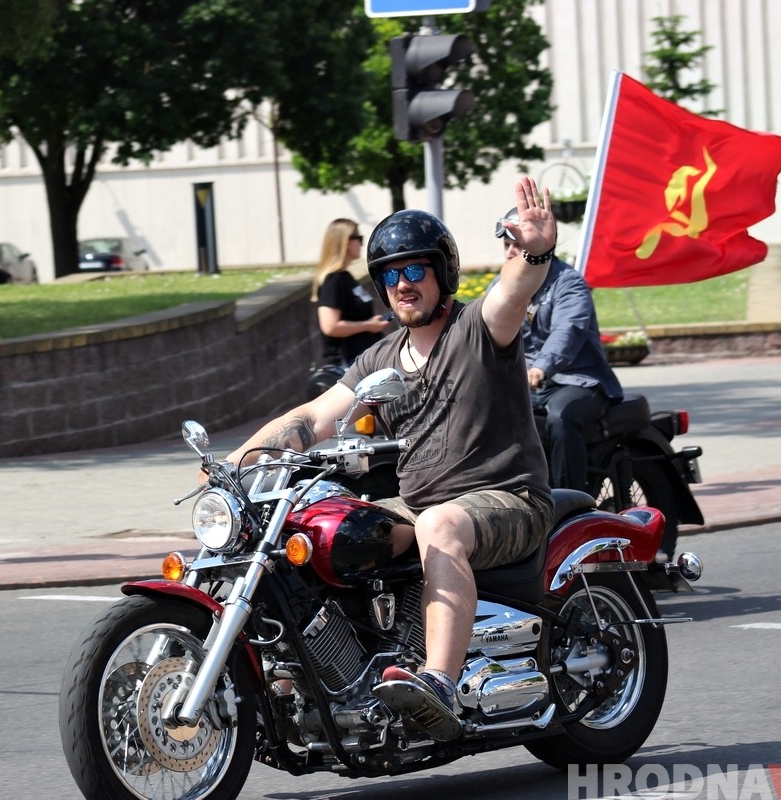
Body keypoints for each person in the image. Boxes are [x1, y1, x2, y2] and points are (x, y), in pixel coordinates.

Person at [218, 178, 557, 742]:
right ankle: (306, 681)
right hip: (418, 502)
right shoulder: (379, 359)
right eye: (391, 275)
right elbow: (314, 417)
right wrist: (233, 464)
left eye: (414, 270)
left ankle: (440, 685)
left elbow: (512, 292)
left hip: (510, 496)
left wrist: (533, 252)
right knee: (321, 529)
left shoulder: (477, 329)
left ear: (441, 273)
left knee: (440, 524)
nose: (403, 285)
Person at [492, 207, 623, 493]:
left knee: (561, 419)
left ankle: (571, 503)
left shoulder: (568, 282)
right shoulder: (502, 286)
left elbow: (569, 330)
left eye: (518, 244)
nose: (510, 253)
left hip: (578, 380)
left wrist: (540, 367)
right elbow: (480, 326)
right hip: (529, 383)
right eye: (506, 245)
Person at [312, 218, 392, 367]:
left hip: (361, 358)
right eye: (359, 238)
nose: (362, 244)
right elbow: (330, 326)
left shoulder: (345, 277)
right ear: (346, 242)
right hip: (347, 365)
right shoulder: (333, 280)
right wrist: (368, 325)